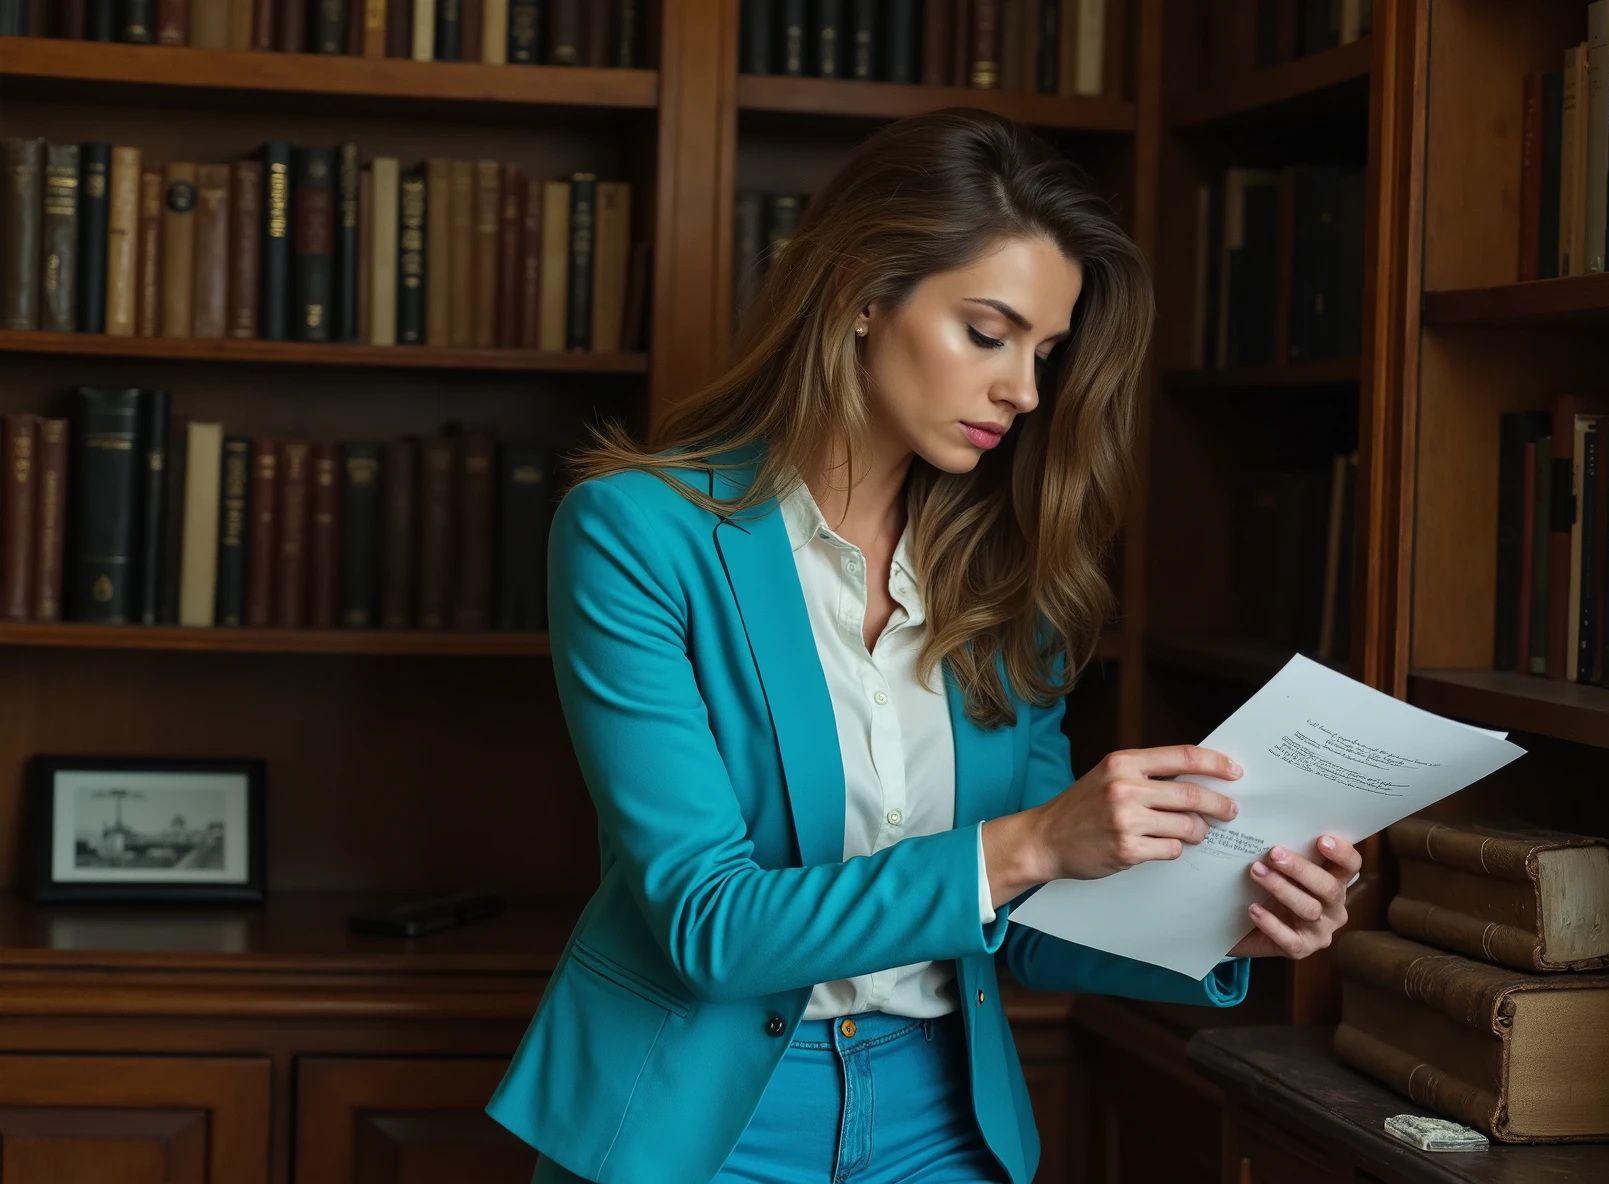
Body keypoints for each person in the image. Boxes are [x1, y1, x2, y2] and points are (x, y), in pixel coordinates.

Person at [487, 107, 1363, 1184]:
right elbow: (706, 924)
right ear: (862, 288)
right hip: (698, 1119)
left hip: (939, 1117)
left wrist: (1227, 924)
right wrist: (1028, 841)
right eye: (987, 333)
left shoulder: (1006, 574)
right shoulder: (639, 533)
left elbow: (1025, 926)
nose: (1024, 390)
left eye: (1044, 352)